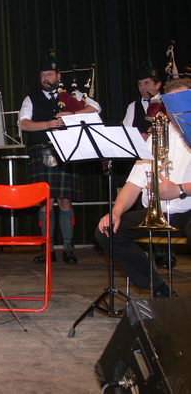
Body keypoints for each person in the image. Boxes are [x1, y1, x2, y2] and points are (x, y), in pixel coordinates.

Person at [96, 77, 191, 298]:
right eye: (173, 104)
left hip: (188, 211)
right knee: (108, 232)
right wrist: (116, 212)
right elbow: (134, 182)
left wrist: (180, 189)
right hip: (159, 213)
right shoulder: (159, 132)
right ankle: (159, 289)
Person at [18, 60, 101, 264]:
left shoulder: (74, 95)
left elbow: (95, 109)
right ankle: (48, 249)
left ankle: (68, 249)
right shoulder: (31, 99)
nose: (46, 78)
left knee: (65, 201)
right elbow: (24, 124)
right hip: (42, 151)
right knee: (45, 203)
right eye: (42, 75)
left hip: (67, 151)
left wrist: (73, 115)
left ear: (58, 76)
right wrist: (49, 124)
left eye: (49, 74)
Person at [122, 67, 163, 140]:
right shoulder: (133, 106)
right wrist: (138, 138)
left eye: (147, 83)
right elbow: (126, 133)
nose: (142, 87)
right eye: (139, 84)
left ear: (158, 85)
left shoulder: (168, 102)